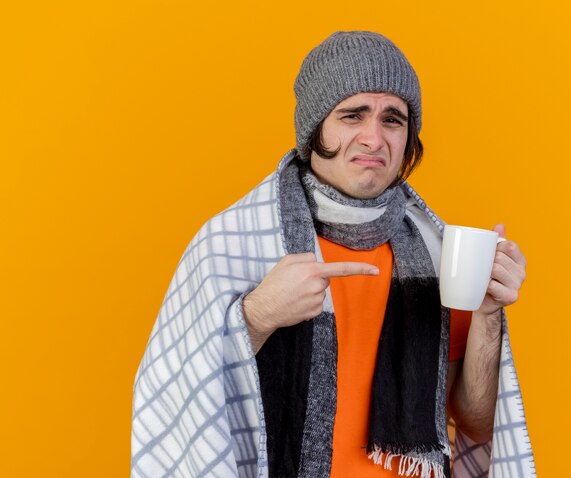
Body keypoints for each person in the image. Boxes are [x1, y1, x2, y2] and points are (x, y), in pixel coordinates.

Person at [131, 31, 535, 478]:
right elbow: (171, 397)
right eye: (352, 115)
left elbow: (475, 423)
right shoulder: (233, 243)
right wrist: (258, 315)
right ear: (314, 127)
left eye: (392, 119)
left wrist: (488, 313)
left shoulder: (439, 255)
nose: (373, 138)